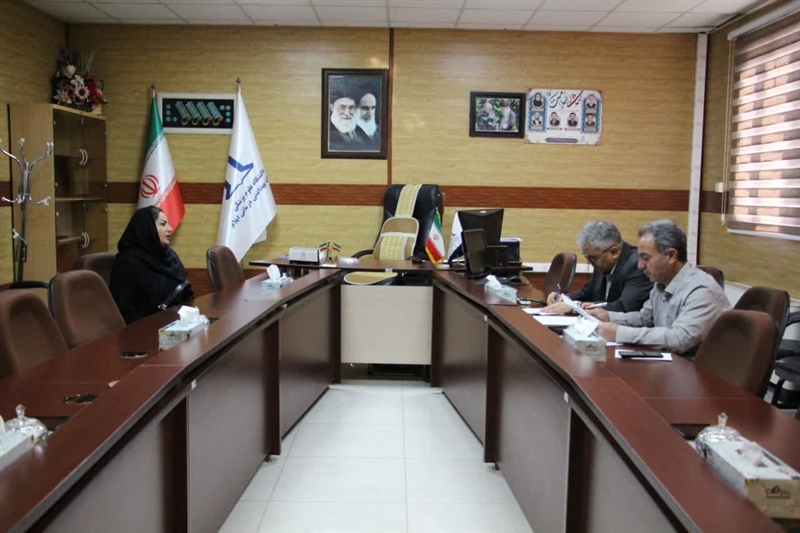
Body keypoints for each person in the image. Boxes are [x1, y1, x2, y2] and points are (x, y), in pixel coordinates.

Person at [588, 220, 730, 356]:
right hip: (669, 363)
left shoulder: (702, 290)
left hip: (696, 369)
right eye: (639, 258)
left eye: (646, 258)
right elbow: (645, 319)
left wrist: (619, 333)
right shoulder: (661, 283)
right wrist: (608, 316)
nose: (640, 265)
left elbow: (679, 339)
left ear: (671, 256)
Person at [543, 221, 652, 314]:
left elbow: (625, 307)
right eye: (587, 257)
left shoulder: (637, 266)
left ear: (614, 252)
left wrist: (576, 307)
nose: (589, 262)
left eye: (593, 258)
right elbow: (588, 291)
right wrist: (566, 298)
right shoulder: (601, 259)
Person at [110, 206, 194, 324]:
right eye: (163, 224)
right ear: (147, 227)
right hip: (145, 327)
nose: (170, 229)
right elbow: (126, 310)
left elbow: (184, 290)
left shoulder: (169, 255)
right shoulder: (128, 262)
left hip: (179, 321)